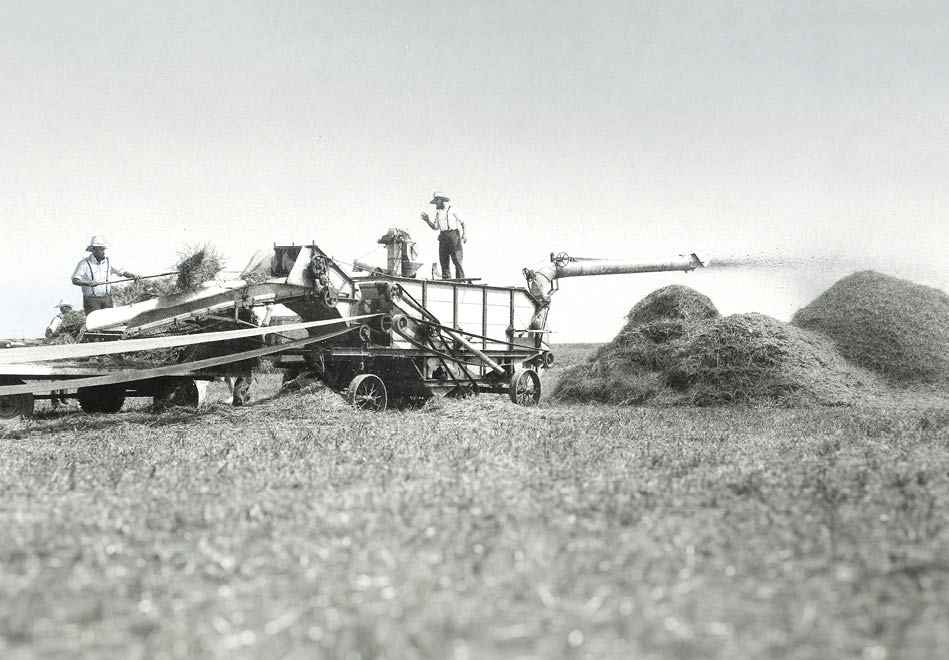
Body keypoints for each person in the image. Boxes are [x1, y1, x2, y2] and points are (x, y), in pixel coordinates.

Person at [71, 235, 139, 314]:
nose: (103, 251)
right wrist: (88, 283)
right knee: (95, 323)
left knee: (109, 321)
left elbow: (122, 272)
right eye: (101, 249)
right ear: (94, 250)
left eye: (104, 249)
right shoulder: (84, 263)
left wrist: (133, 276)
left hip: (107, 299)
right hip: (91, 301)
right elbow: (75, 280)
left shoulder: (110, 261)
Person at [420, 191, 467, 280]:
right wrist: (427, 221)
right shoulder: (438, 212)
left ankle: (460, 280)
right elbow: (435, 227)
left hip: (453, 235)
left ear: (442, 200)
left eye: (437, 201)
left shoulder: (453, 209)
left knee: (457, 259)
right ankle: (447, 279)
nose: (436, 204)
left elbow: (463, 222)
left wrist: (465, 234)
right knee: (443, 259)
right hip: (443, 237)